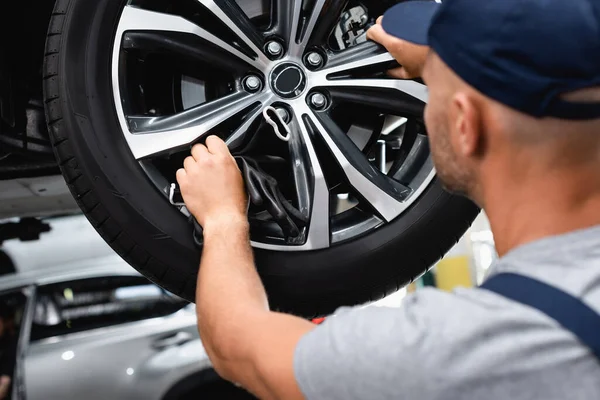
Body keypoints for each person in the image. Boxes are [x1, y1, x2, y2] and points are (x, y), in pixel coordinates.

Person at [176, 0, 600, 398]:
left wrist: (222, 219)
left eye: (433, 89)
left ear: (466, 126)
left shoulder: (474, 354)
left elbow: (239, 348)